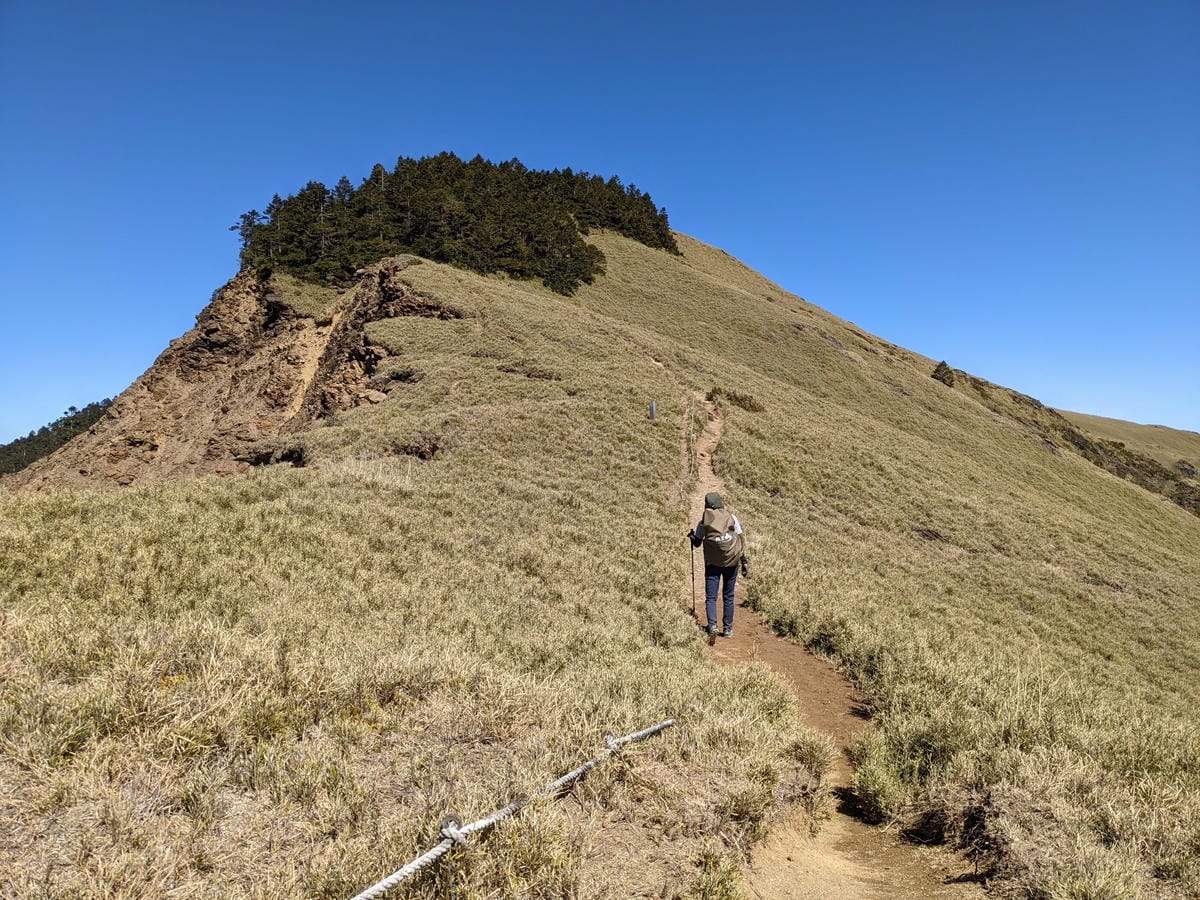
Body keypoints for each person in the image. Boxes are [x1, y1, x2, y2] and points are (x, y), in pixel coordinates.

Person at [688, 492, 747, 637]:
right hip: (732, 561)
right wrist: (743, 559)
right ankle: (728, 629)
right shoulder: (732, 517)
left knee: (711, 597)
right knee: (728, 595)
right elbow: (739, 539)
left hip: (712, 563)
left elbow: (697, 543)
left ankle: (713, 626)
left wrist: (692, 536)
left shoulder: (704, 522)